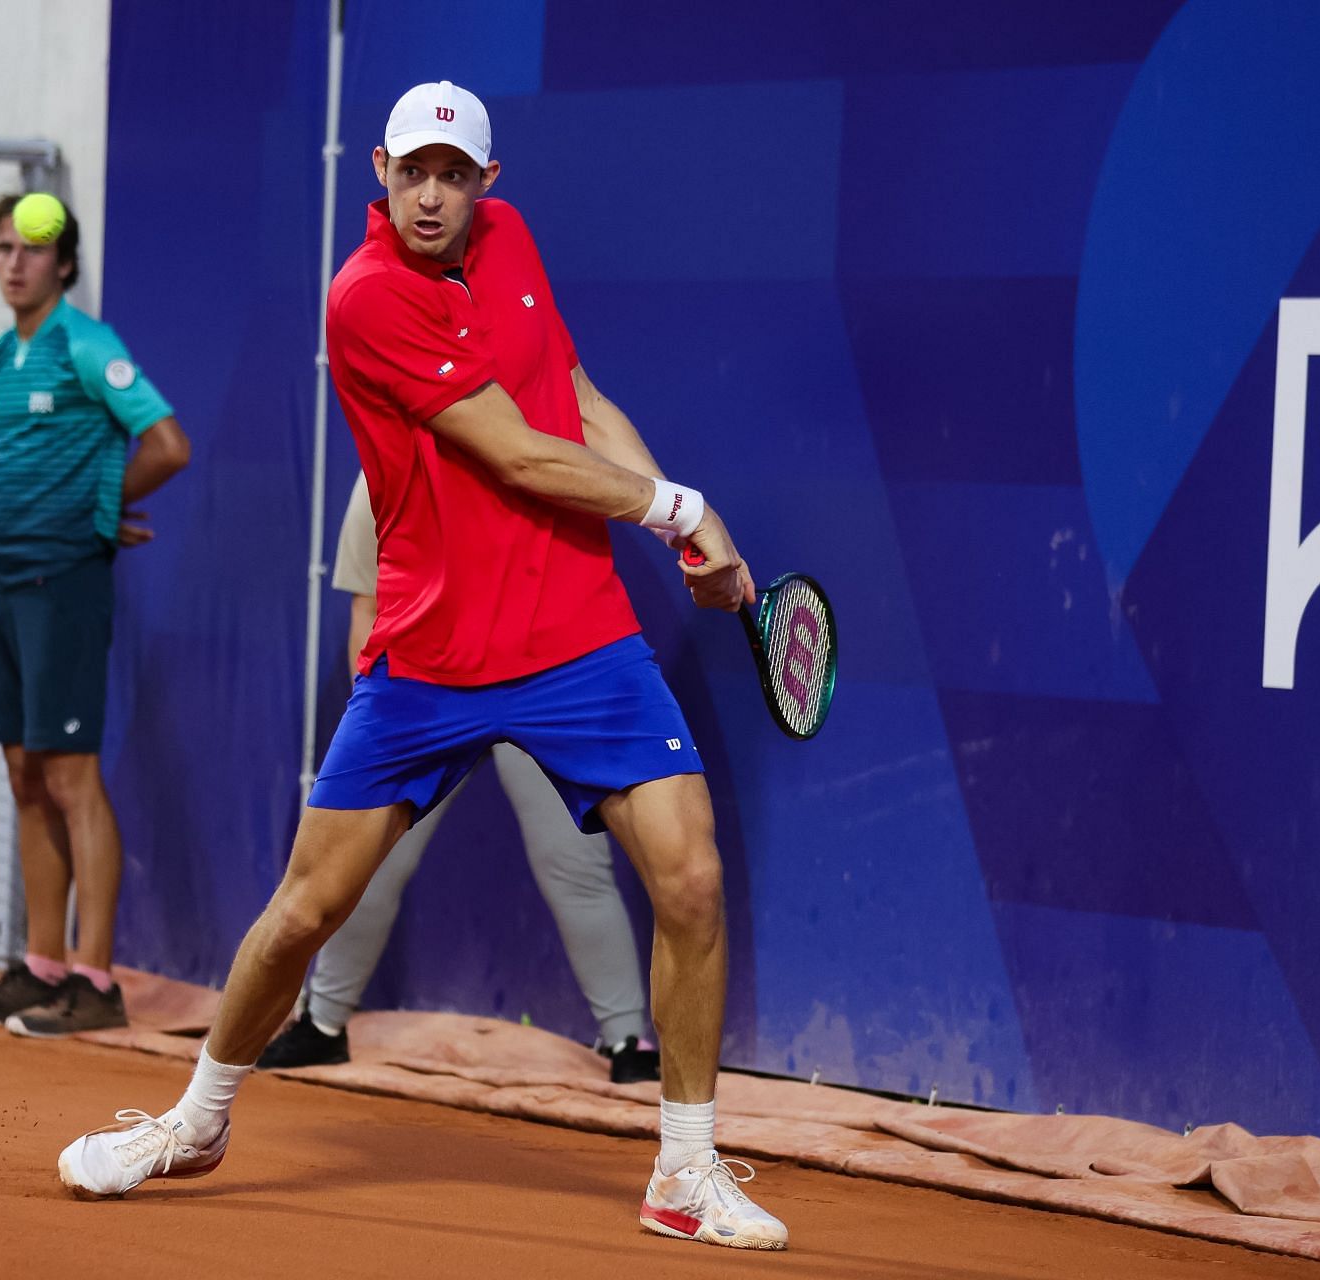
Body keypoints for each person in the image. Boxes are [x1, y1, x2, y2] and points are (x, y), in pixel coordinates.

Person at [57, 82, 787, 1251]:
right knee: (306, 909)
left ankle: (685, 1168)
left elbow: (577, 400)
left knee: (691, 879)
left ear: (487, 185)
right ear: (381, 178)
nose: (434, 194)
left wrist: (693, 528)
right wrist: (684, 508)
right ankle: (197, 1118)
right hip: (433, 652)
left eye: (455, 175)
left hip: (575, 634)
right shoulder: (366, 299)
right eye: (414, 173)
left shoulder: (515, 245)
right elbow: (515, 452)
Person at [258, 473, 660, 1083]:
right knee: (362, 862)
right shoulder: (377, 481)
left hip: (541, 689)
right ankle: (322, 1023)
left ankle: (628, 1038)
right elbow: (368, 603)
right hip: (428, 697)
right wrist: (377, 722)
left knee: (573, 862)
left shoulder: (542, 464)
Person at [0, 194, 191, 1038]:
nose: (14, 263)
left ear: (65, 265)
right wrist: (92, 499)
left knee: (72, 776)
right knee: (23, 774)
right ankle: (41, 965)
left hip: (65, 584)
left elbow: (167, 443)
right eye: (3, 248)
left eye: (31, 250)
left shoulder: (89, 345)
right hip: (2, 583)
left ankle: (96, 980)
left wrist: (98, 504)